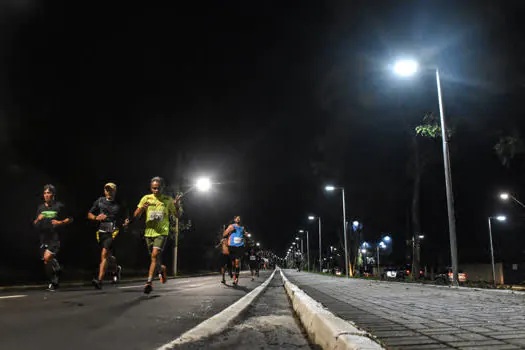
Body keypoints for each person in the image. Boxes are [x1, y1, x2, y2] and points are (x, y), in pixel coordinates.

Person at [134, 177, 181, 294]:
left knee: (154, 255)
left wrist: (176, 206)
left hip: (161, 232)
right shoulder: (146, 198)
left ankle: (149, 282)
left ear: (162, 188)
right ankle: (161, 269)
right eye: (154, 188)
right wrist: (141, 209)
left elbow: (178, 215)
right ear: (151, 188)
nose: (156, 190)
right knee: (154, 258)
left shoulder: (168, 200)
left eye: (158, 188)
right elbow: (135, 215)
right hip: (149, 233)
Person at [88, 182, 130, 289]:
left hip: (114, 231)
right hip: (101, 231)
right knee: (108, 257)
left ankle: (99, 280)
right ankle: (116, 269)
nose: (108, 192)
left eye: (111, 190)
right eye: (107, 190)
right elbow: (89, 214)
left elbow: (126, 216)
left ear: (115, 191)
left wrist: (126, 222)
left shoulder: (119, 203)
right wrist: (96, 218)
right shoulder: (100, 201)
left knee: (104, 254)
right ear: (104, 191)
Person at [33, 184, 72, 291]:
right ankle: (55, 278)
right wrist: (38, 219)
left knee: (47, 257)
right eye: (45, 193)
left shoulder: (59, 206)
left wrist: (60, 222)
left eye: (48, 193)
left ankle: (56, 273)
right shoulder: (40, 208)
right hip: (43, 238)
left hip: (55, 237)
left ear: (53, 194)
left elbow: (70, 219)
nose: (46, 195)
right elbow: (35, 224)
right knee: (47, 262)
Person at [222, 216, 245, 286]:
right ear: (234, 220)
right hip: (232, 247)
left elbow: (244, 234)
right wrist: (230, 230)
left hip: (239, 247)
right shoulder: (231, 226)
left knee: (237, 263)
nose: (238, 219)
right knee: (233, 264)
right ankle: (233, 274)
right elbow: (224, 234)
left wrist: (245, 234)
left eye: (239, 218)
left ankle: (236, 279)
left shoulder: (242, 228)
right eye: (237, 218)